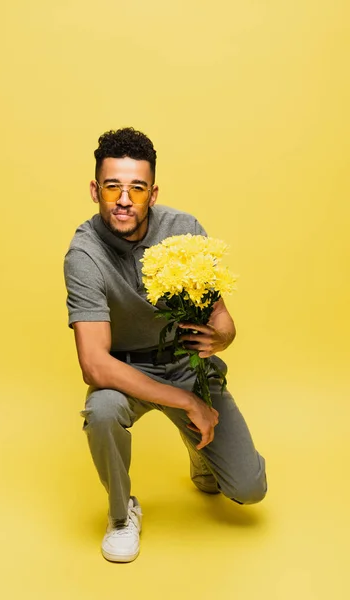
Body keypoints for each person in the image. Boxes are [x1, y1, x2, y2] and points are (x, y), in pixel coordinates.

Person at [63, 127, 267, 563]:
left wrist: (224, 335)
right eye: (113, 186)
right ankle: (122, 514)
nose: (123, 199)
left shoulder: (184, 229)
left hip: (184, 365)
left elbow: (221, 316)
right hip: (124, 371)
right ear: (95, 189)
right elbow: (95, 366)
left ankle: (200, 457)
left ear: (152, 194)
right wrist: (186, 403)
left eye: (136, 188)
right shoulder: (83, 254)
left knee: (250, 490)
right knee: (100, 411)